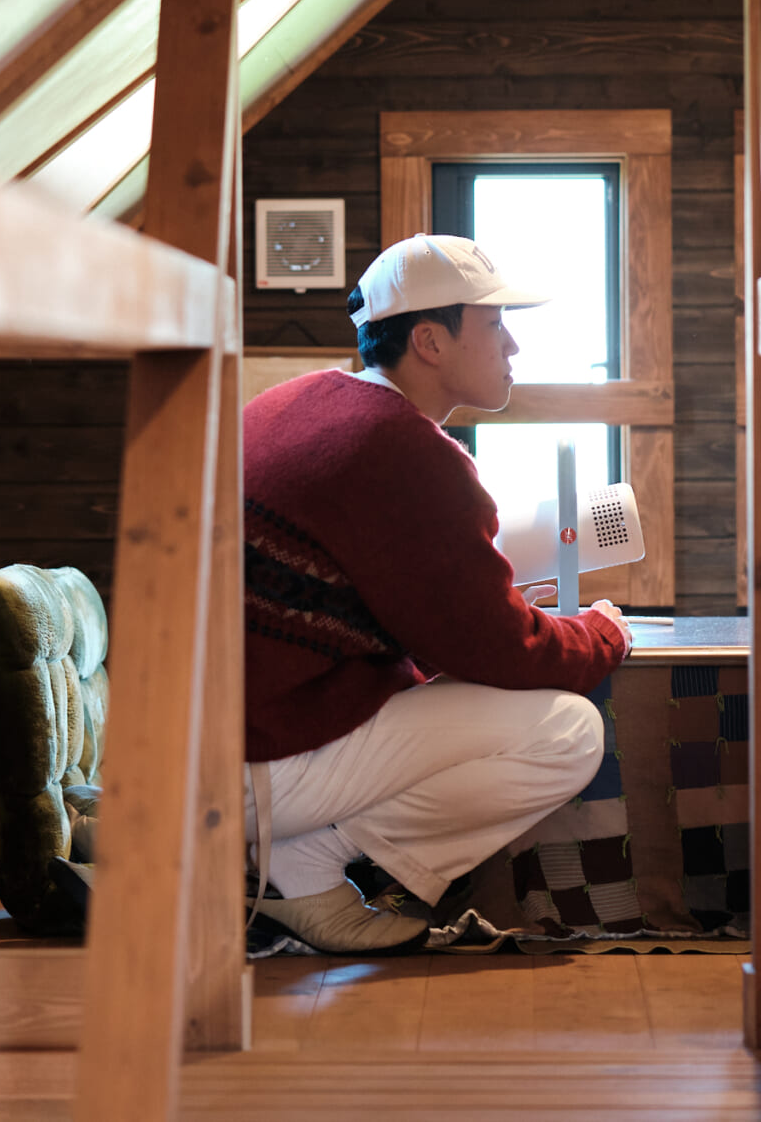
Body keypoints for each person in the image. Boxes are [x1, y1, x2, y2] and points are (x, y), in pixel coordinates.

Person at [241, 233, 632, 953]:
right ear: (429, 340)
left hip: (214, 737)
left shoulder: (301, 401)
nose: (512, 344)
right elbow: (502, 651)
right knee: (568, 732)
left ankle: (289, 855)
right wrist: (602, 630)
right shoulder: (407, 454)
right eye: (493, 324)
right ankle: (304, 858)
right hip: (262, 762)